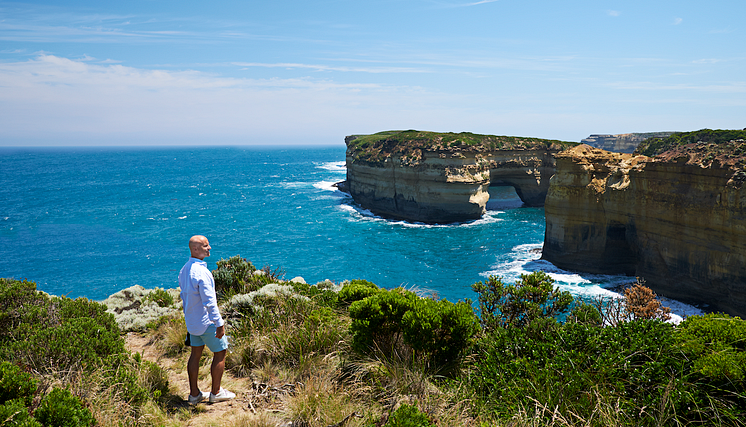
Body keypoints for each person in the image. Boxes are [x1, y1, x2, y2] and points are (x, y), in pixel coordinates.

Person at [178, 235, 236, 405]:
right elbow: (209, 301)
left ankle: (194, 394)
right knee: (220, 352)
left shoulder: (184, 269)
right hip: (206, 322)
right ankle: (216, 392)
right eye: (205, 246)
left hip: (192, 322)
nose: (209, 248)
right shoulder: (202, 272)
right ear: (195, 249)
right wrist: (219, 323)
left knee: (195, 355)